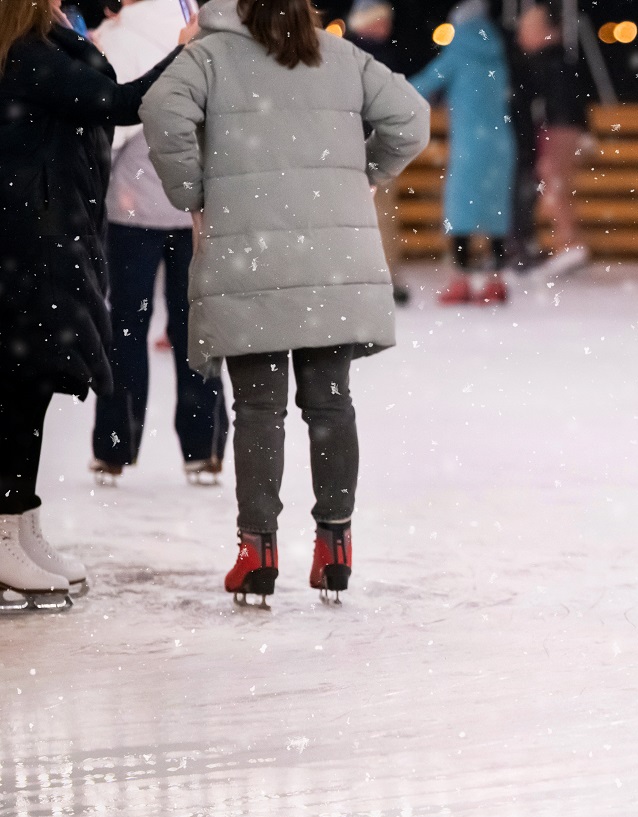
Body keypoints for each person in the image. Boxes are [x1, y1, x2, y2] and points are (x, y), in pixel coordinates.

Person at [142, 0, 430, 605]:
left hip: (252, 257)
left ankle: (258, 551)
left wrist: (192, 192)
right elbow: (411, 116)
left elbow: (160, 110)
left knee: (258, 409)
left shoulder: (209, 56)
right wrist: (364, 172)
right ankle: (335, 545)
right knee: (330, 405)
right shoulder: (341, 55)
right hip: (330, 261)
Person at [0, 0, 192, 609]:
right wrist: (184, 53)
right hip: (25, 239)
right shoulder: (25, 54)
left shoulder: (44, 41)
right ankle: (4, 537)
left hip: (43, 234)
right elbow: (120, 101)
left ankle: (19, 528)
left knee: (29, 391)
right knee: (16, 391)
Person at [91, 0, 228, 487]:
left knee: (127, 324)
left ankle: (115, 444)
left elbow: (113, 122)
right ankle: (204, 446)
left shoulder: (120, 37)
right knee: (197, 326)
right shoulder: (203, 22)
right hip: (195, 199)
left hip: (133, 205)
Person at [411, 0, 516, 305]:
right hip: (501, 142)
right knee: (496, 212)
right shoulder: (499, 55)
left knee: (461, 211)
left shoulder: (457, 56)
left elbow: (422, 86)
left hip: (470, 142)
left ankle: (461, 280)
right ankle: (496, 280)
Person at [508, 0, 591, 278]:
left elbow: (552, 104)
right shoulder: (560, 62)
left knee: (553, 180)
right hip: (563, 128)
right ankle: (566, 243)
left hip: (558, 129)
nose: (522, 36)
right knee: (554, 182)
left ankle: (569, 243)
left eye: (529, 29)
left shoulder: (547, 63)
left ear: (547, 32)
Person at [345, 0, 412, 306]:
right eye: (380, 19)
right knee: (370, 215)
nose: (386, 25)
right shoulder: (355, 56)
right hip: (357, 147)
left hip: (372, 147)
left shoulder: (366, 55)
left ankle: (382, 276)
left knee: (381, 215)